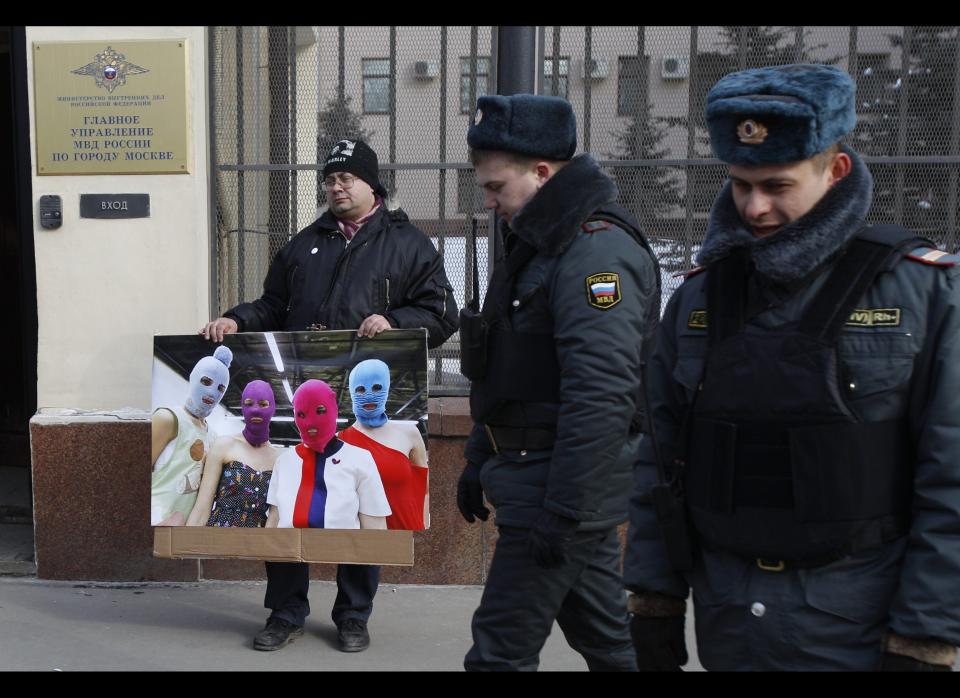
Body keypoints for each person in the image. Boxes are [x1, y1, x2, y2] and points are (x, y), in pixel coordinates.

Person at [624, 63, 960, 671]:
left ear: (836, 170)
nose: (754, 208)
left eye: (778, 185)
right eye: (740, 183)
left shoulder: (921, 292)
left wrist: (926, 637)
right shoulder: (702, 296)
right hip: (727, 618)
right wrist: (653, 598)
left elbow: (951, 475)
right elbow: (662, 454)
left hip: (859, 621)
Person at [199, 138, 458, 653]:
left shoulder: (409, 245)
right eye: (330, 180)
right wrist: (237, 318)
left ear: (372, 184)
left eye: (347, 179)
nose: (337, 188)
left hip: (365, 401)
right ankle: (286, 611)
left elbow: (442, 314)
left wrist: (396, 321)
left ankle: (353, 615)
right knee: (289, 496)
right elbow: (274, 304)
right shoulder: (304, 243)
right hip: (301, 393)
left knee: (362, 500)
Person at [455, 94, 661, 671]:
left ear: (543, 173)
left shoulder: (595, 250)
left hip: (555, 490)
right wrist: (477, 457)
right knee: (606, 639)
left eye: (497, 187)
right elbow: (506, 371)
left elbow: (602, 394)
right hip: (537, 477)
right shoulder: (540, 245)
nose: (490, 201)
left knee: (498, 651)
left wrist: (565, 512)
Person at [265, 379, 390, 531]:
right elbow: (273, 519)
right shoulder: (284, 462)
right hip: (288, 552)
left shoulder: (361, 459)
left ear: (333, 410)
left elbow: (375, 528)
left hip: (341, 552)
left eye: (320, 411)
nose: (310, 422)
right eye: (301, 414)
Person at [339, 359, 429, 530]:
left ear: (387, 387)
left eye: (377, 388)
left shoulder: (409, 433)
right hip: (364, 541)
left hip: (407, 531)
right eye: (360, 389)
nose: (369, 395)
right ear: (351, 392)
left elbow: (425, 489)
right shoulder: (339, 440)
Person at [151, 345, 233, 526]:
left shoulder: (213, 437)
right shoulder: (168, 418)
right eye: (206, 381)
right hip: (156, 522)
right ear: (194, 378)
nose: (212, 392)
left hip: (187, 530)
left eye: (220, 388)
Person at [186, 380, 282, 528]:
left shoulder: (278, 459)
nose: (256, 410)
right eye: (249, 404)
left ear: (272, 408)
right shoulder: (223, 445)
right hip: (218, 538)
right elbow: (202, 508)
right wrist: (187, 547)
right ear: (243, 407)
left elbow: (274, 519)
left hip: (256, 543)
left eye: (263, 404)